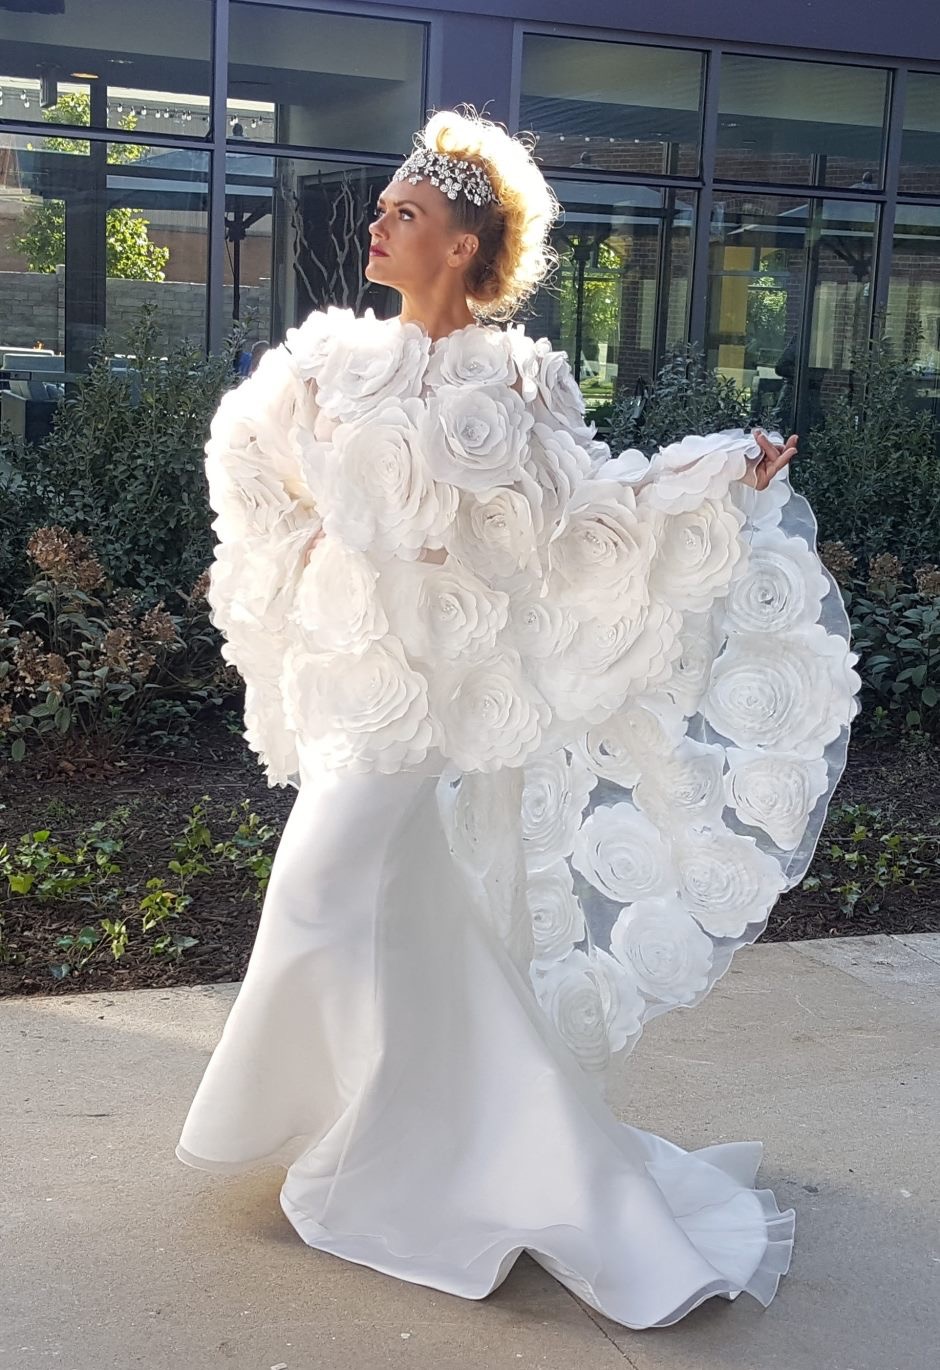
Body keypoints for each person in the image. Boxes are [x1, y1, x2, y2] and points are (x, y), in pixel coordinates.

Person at [175, 106, 860, 1329]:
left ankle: (334, 1126)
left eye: (405, 214)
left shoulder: (520, 383)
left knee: (319, 893)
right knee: (416, 921)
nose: (378, 225)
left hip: (431, 697)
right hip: (353, 678)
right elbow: (245, 462)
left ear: (460, 246)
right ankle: (455, 1136)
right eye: (383, 209)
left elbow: (584, 517)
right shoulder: (324, 364)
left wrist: (715, 471)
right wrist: (312, 548)